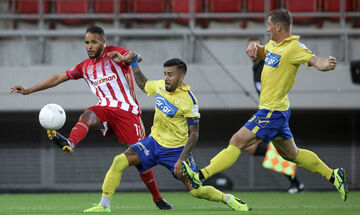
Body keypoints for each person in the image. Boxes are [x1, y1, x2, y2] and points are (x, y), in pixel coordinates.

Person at [182, 8, 348, 201]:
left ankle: (200, 176)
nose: (267, 28)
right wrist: (255, 48)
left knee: (237, 141)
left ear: (278, 26)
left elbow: (313, 59)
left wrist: (325, 64)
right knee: (292, 155)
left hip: (272, 111)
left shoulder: (294, 47)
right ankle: (333, 175)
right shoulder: (272, 45)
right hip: (278, 111)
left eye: (269, 25)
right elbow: (263, 51)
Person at [9, 25, 172, 210]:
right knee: (87, 114)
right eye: (86, 42)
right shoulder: (84, 67)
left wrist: (128, 58)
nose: (89, 46)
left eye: (94, 42)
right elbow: (58, 77)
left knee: (139, 158)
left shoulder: (114, 53)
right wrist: (29, 90)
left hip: (128, 112)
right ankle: (70, 143)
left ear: (103, 42)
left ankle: (157, 198)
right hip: (104, 109)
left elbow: (136, 56)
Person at [83, 57, 249, 212]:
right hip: (153, 143)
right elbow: (144, 85)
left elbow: (194, 134)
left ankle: (227, 198)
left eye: (170, 74)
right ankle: (104, 205)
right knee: (119, 161)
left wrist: (181, 159)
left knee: (196, 191)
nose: (166, 78)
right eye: (164, 74)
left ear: (181, 77)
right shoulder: (160, 86)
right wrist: (134, 63)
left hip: (176, 151)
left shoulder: (189, 100)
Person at [245, 38, 304, 194]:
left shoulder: (266, 64)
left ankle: (296, 181)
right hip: (267, 111)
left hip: (274, 112)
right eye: (250, 46)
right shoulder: (255, 67)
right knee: (251, 148)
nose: (253, 49)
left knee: (249, 146)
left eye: (256, 45)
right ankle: (296, 182)